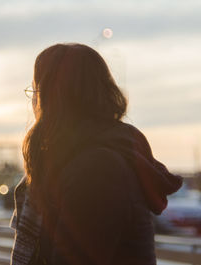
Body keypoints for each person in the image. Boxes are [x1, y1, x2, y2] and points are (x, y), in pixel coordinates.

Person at [10, 43, 183, 265]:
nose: (33, 103)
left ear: (53, 99)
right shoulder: (76, 162)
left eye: (36, 91)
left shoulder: (98, 170)